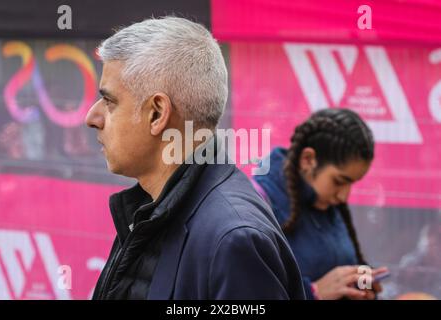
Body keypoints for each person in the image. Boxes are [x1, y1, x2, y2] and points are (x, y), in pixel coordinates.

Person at [85, 16, 305, 300]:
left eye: (110, 101)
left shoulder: (233, 239)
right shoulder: (152, 207)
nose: (92, 117)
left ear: (156, 113)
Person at [253, 108, 388, 300]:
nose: (344, 196)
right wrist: (313, 293)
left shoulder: (328, 204)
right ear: (308, 159)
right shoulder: (258, 206)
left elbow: (338, 264)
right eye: (339, 181)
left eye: (352, 183)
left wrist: (361, 284)